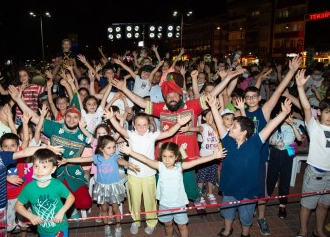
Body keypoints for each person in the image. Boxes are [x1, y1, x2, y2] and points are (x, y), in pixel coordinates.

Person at [111, 66, 245, 208]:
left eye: (175, 95)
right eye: (169, 96)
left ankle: (193, 197)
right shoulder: (160, 107)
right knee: (162, 183)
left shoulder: (192, 106)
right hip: (165, 154)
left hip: (187, 154)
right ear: (165, 98)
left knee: (189, 185)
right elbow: (142, 102)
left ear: (181, 96)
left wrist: (228, 78)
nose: (172, 98)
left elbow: (212, 93)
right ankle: (165, 204)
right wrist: (125, 89)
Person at [206, 93, 293, 237]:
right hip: (229, 186)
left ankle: (245, 233)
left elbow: (270, 126)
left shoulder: (255, 142)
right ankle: (227, 230)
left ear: (244, 132)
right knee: (228, 212)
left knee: (246, 216)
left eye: (234, 126)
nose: (230, 127)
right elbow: (219, 122)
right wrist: (213, 107)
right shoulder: (227, 141)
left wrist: (283, 113)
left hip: (249, 189)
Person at [234, 55, 301, 235]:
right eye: (248, 97)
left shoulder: (265, 111)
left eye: (254, 96)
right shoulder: (240, 114)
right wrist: (241, 110)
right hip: (244, 158)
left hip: (262, 158)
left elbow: (278, 91)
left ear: (259, 97)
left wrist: (292, 71)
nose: (251, 99)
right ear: (245, 99)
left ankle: (261, 217)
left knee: (262, 191)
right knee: (245, 187)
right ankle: (245, 212)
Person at [104, 108, 192, 235]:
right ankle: (136, 220)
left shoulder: (152, 135)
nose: (141, 127)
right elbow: (120, 129)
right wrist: (112, 118)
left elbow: (168, 133)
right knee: (134, 200)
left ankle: (151, 222)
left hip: (149, 174)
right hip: (133, 174)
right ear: (134, 125)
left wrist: (178, 124)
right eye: (138, 125)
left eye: (144, 125)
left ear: (148, 125)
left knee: (150, 200)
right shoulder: (131, 135)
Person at [8, 85, 93, 216]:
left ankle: (71, 206)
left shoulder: (83, 135)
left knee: (85, 203)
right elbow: (34, 117)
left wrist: (85, 130)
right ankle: (65, 208)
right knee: (51, 201)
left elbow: (98, 144)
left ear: (80, 119)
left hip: (74, 173)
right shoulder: (54, 128)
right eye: (68, 116)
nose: (71, 119)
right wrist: (19, 100)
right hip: (53, 173)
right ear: (64, 117)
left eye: (75, 117)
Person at [119, 141, 226, 237]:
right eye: (164, 156)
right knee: (168, 225)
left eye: (170, 156)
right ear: (161, 156)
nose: (167, 160)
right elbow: (146, 160)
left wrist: (214, 156)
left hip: (179, 204)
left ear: (176, 157)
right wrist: (131, 152)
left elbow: (197, 162)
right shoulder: (160, 166)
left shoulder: (180, 167)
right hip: (164, 204)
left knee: (182, 226)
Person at [59, 135, 138, 237]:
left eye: (114, 147)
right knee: (104, 209)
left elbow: (121, 161)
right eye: (109, 148)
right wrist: (67, 160)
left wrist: (129, 164)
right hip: (102, 187)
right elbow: (82, 159)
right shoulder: (97, 158)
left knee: (115, 209)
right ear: (101, 148)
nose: (113, 150)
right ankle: (106, 226)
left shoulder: (115, 157)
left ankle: (118, 226)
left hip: (113, 187)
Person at [295, 69, 330, 237]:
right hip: (316, 173)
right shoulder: (314, 126)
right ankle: (303, 231)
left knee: (325, 205)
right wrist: (300, 87)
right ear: (319, 112)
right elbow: (305, 107)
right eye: (327, 112)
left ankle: (318, 230)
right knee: (308, 205)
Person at [16, 148, 75, 237]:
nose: (39, 170)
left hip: (60, 227)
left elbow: (71, 198)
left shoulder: (57, 185)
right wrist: (30, 216)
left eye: (44, 167)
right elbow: (18, 206)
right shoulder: (29, 188)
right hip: (42, 230)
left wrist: (61, 212)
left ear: (53, 169)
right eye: (36, 166)